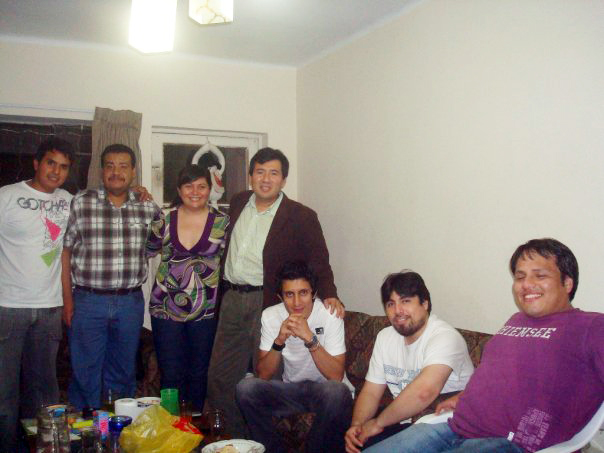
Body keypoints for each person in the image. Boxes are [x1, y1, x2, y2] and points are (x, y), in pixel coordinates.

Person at [363, 238, 604, 453]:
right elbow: (500, 374)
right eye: (520, 277)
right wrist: (463, 396)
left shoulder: (591, 326)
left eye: (539, 276)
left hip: (511, 443)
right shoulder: (516, 321)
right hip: (455, 426)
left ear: (567, 283)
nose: (526, 284)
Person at [207, 147, 344, 437]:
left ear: (283, 180)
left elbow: (319, 258)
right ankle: (231, 440)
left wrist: (330, 292)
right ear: (250, 176)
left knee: (267, 375)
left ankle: (265, 440)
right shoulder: (238, 202)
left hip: (266, 300)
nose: (266, 179)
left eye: (273, 173)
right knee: (221, 374)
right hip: (232, 298)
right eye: (260, 172)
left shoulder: (301, 216)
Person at [62, 143, 162, 409]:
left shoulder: (148, 208)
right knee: (85, 370)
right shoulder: (82, 202)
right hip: (88, 300)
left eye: (123, 166)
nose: (116, 172)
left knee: (123, 370)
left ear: (133, 171)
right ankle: (86, 426)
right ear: (102, 170)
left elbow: (158, 244)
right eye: (110, 166)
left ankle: (117, 425)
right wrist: (68, 301)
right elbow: (66, 251)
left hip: (129, 302)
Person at [345, 271, 474, 452]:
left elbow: (424, 392)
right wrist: (357, 426)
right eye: (391, 304)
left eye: (405, 301)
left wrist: (377, 423)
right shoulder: (385, 337)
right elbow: (371, 392)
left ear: (425, 304)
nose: (398, 311)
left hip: (444, 426)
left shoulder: (445, 337)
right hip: (402, 423)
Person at [0, 137, 74, 450]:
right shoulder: (7, 196)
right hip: (7, 309)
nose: (56, 171)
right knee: (4, 395)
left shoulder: (69, 201)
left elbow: (65, 253)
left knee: (45, 394)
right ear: (36, 163)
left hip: (49, 310)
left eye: (63, 167)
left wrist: (67, 302)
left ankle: (43, 448)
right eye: (50, 163)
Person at [236, 261, 353, 453]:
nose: (297, 303)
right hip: (291, 390)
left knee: (336, 391)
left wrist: (310, 339)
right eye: (289, 295)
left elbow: (336, 376)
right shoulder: (270, 316)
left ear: (314, 293)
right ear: (280, 297)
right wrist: (279, 340)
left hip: (326, 392)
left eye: (303, 293)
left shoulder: (330, 315)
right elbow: (263, 374)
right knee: (246, 388)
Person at [146, 165, 229, 412]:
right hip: (165, 307)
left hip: (206, 310)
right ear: (179, 189)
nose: (195, 192)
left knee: (199, 373)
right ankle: (170, 426)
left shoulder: (223, 222)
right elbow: (149, 250)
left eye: (202, 186)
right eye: (188, 186)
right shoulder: (163, 218)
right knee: (171, 373)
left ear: (210, 190)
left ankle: (194, 426)